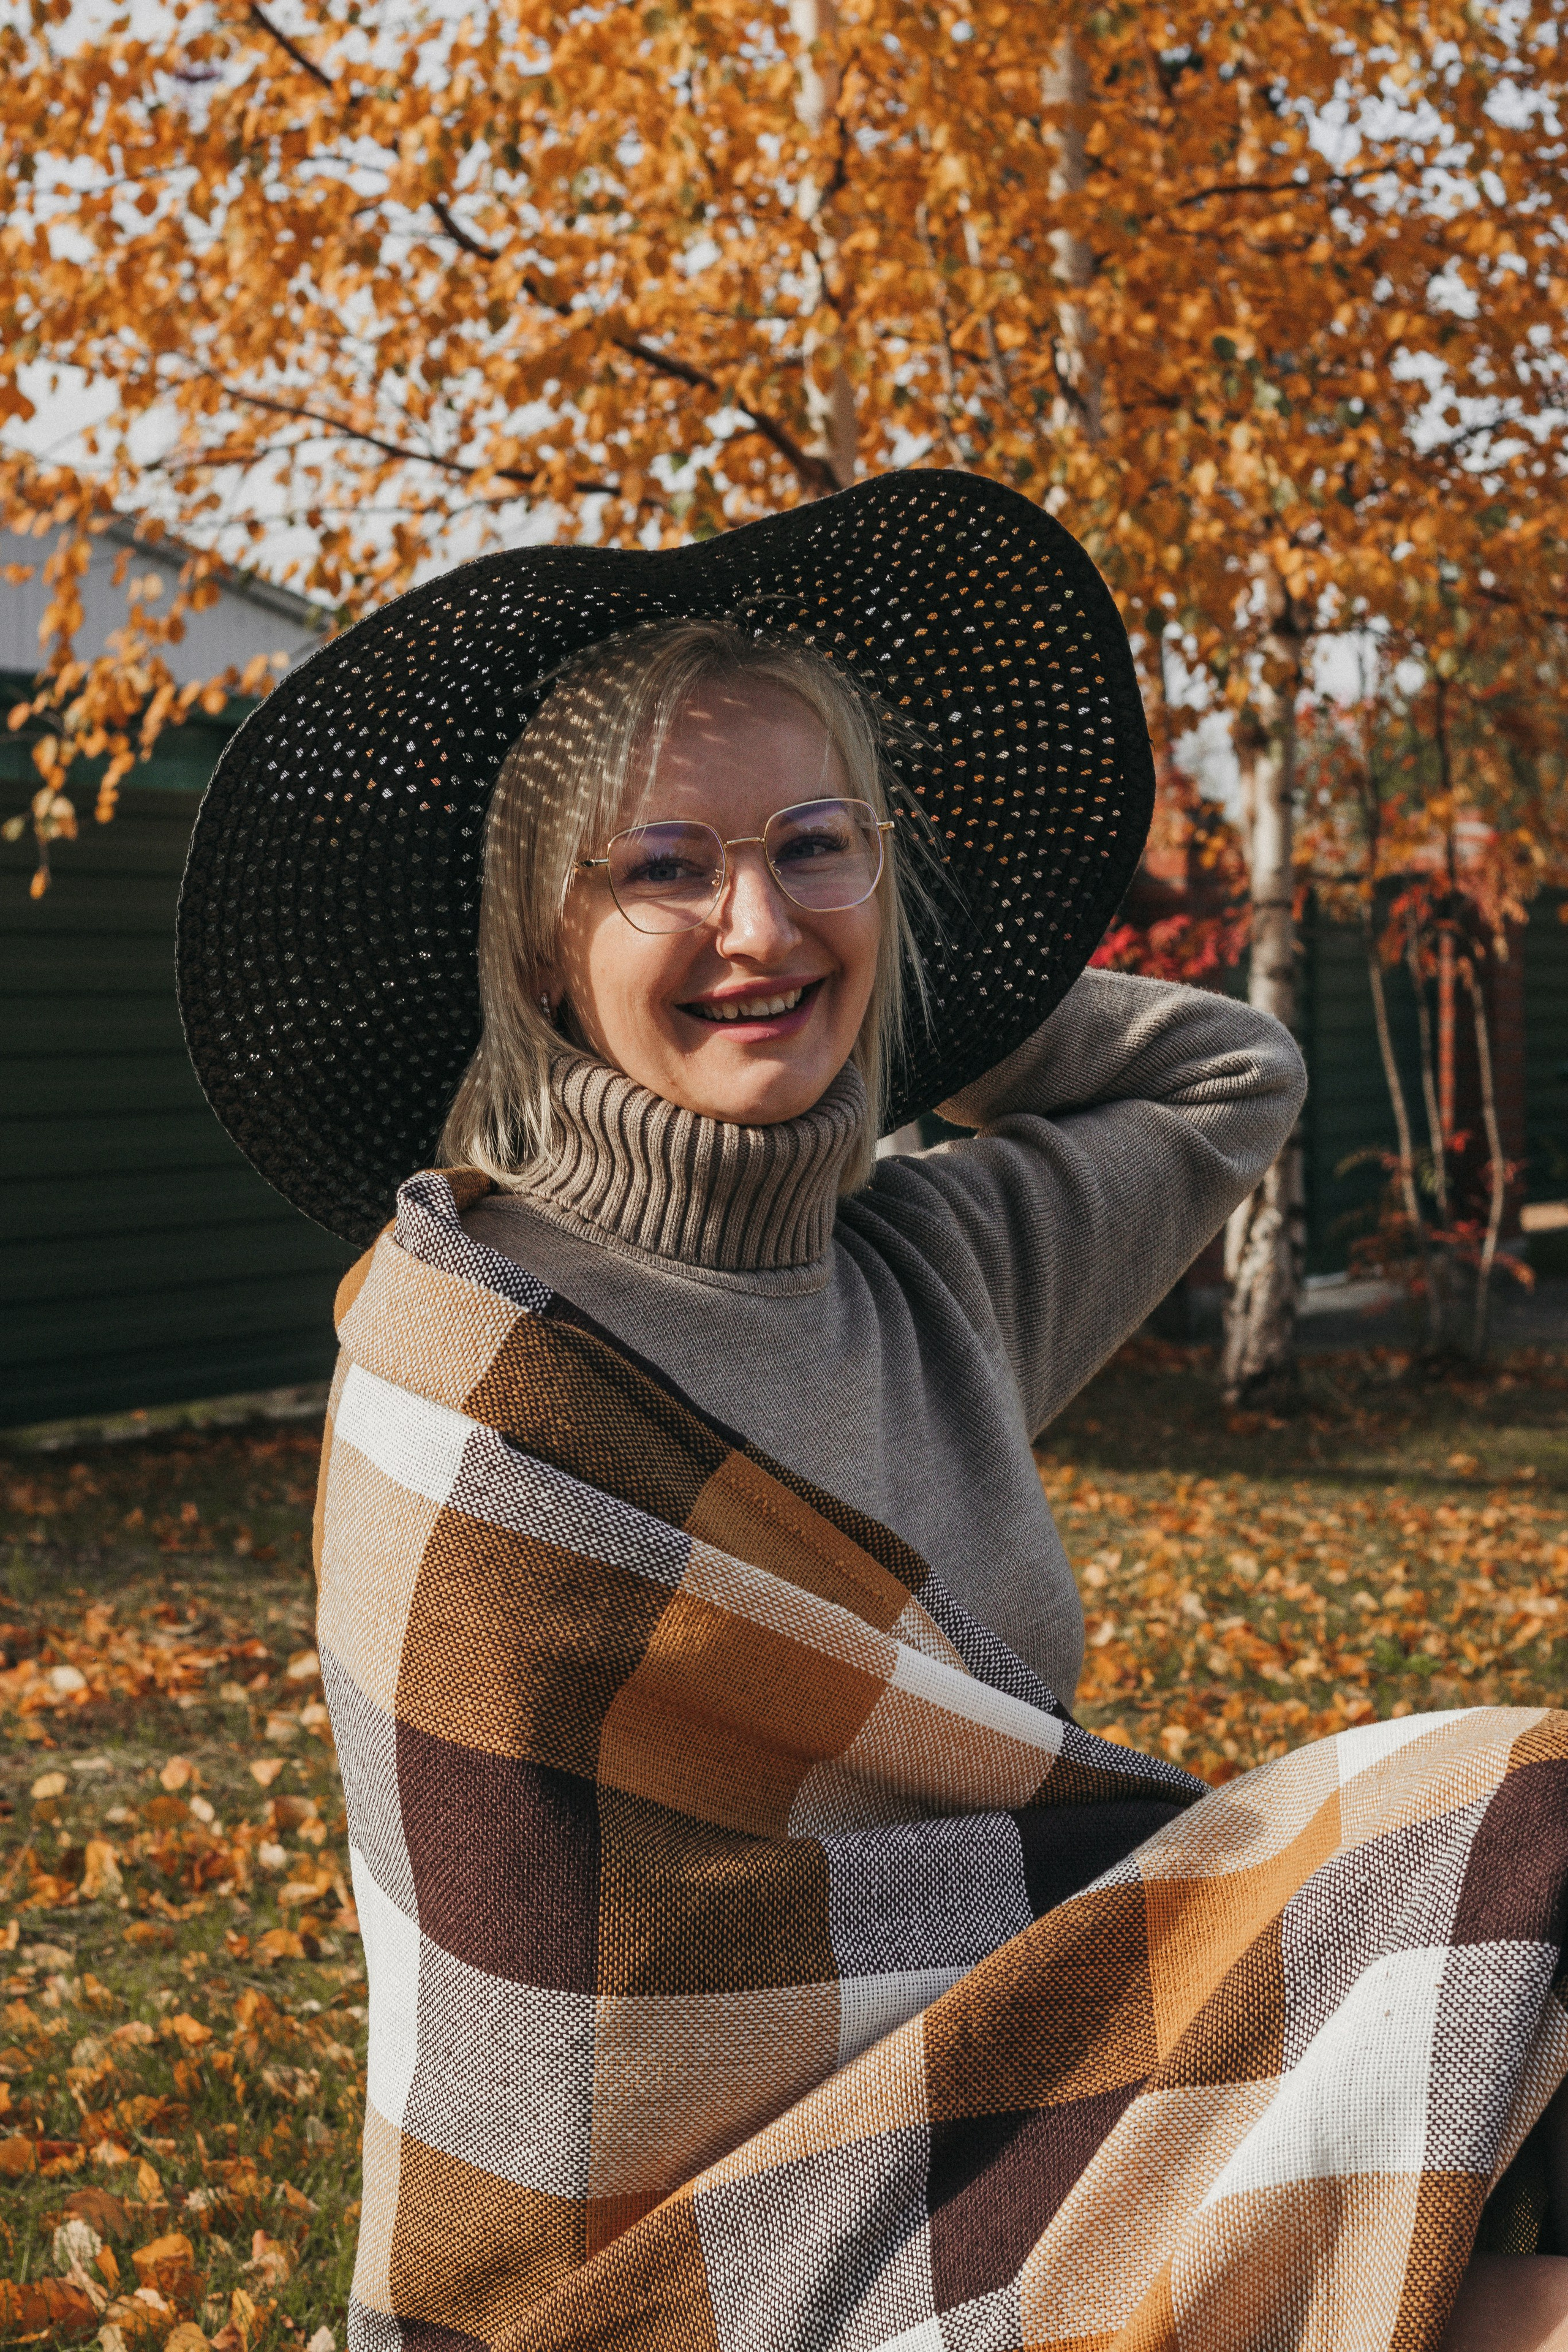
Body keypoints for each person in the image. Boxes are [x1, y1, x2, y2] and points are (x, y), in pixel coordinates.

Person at [178, 472, 1568, 2352]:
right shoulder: (475, 1356)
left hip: (1042, 2091)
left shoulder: (944, 1263)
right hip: (665, 2260)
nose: (752, 916)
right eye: (665, 867)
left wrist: (880, 978)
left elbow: (1233, 1068)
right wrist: (808, 959)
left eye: (815, 845)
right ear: (540, 950)